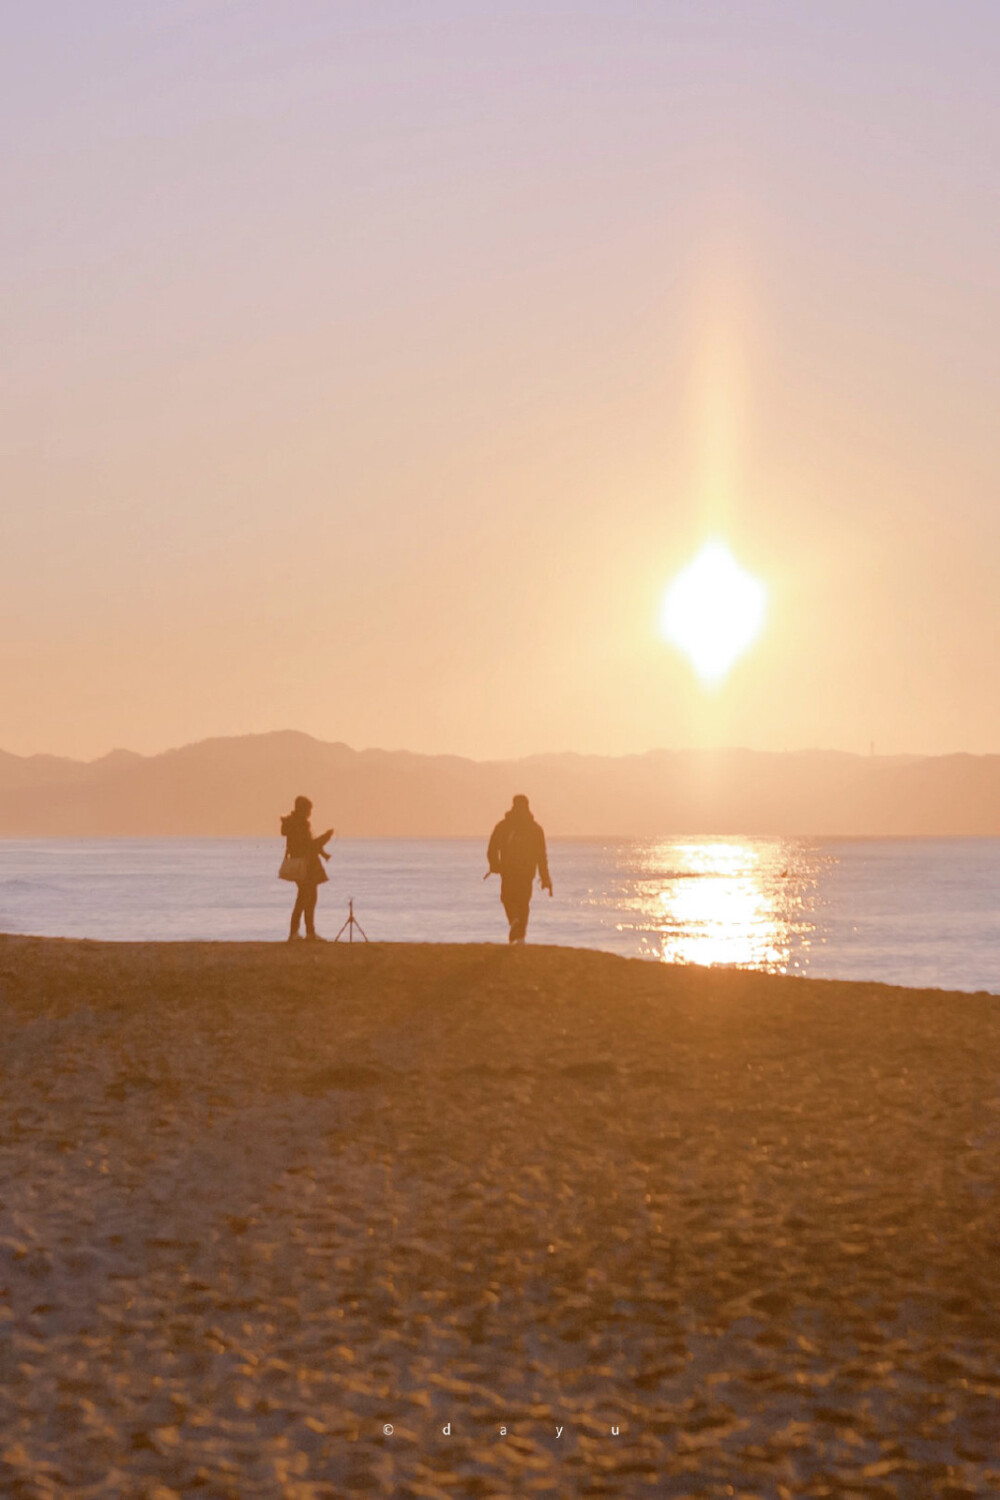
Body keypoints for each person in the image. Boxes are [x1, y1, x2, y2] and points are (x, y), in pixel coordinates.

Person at [486, 794, 552, 943]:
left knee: (507, 898)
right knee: (523, 903)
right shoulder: (535, 829)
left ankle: (514, 922)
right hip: (527, 872)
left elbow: (491, 849)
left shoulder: (503, 826)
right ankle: (521, 936)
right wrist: (545, 877)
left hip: (507, 871)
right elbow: (541, 856)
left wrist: (495, 865)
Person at [280, 796, 333, 941]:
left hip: (301, 863)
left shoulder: (292, 823)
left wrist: (323, 853)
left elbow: (306, 844)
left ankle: (304, 932)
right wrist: (326, 837)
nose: (310, 813)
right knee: (305, 898)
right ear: (303, 809)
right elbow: (309, 846)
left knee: (307, 897)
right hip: (306, 865)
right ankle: (300, 933)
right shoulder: (301, 825)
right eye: (309, 810)